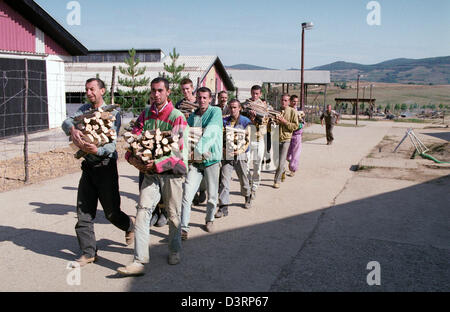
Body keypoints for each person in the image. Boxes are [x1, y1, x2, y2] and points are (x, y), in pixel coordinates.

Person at [117, 77, 189, 276]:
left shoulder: (177, 117)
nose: (155, 94)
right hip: (150, 174)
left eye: (159, 91)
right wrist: (131, 158)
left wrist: (157, 163)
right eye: (153, 91)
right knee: (142, 211)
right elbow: (134, 139)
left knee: (173, 215)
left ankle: (174, 250)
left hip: (171, 173)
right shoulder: (146, 114)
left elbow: (178, 152)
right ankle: (139, 260)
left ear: (167, 92)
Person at [62, 78, 135, 267]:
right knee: (83, 212)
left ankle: (129, 225)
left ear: (102, 91)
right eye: (86, 89)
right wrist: (72, 128)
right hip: (88, 167)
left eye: (92, 89)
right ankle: (88, 252)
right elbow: (67, 120)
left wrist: (98, 151)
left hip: (105, 166)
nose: (89, 93)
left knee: (111, 213)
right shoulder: (84, 110)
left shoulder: (113, 114)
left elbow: (111, 144)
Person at [181, 87, 223, 239]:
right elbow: (188, 135)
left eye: (205, 97)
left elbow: (210, 133)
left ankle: (209, 219)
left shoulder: (215, 112)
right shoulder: (193, 116)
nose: (202, 100)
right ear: (196, 98)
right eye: (199, 97)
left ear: (210, 99)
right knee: (187, 194)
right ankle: (183, 228)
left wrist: (196, 151)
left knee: (212, 195)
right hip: (195, 162)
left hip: (211, 159)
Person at [216, 99, 252, 218]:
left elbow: (248, 139)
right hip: (227, 155)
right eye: (231, 107)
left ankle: (247, 196)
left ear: (240, 108)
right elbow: (219, 137)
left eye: (235, 107)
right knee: (224, 181)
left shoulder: (246, 121)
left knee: (243, 178)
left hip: (240, 154)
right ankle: (223, 207)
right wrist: (223, 148)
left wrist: (240, 150)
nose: (232, 110)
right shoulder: (224, 121)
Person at [244, 85, 269, 199]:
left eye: (257, 94)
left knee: (257, 164)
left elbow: (265, 122)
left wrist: (255, 120)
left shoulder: (264, 107)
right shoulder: (246, 105)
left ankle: (254, 186)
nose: (254, 96)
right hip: (247, 139)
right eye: (253, 93)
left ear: (260, 94)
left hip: (259, 139)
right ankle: (248, 184)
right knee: (246, 164)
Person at [273, 94, 299, 188]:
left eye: (285, 100)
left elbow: (295, 126)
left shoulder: (292, 112)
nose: (283, 102)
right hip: (276, 138)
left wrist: (284, 122)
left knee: (281, 160)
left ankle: (277, 181)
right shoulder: (276, 111)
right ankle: (282, 170)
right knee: (276, 161)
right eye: (282, 100)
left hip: (286, 139)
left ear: (289, 102)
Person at [286, 95, 305, 177]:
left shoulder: (300, 111)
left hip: (297, 135)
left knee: (296, 153)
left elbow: (302, 123)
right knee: (287, 155)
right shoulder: (287, 110)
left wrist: (299, 125)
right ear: (290, 101)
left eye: (297, 102)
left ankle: (293, 169)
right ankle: (291, 161)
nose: (295, 103)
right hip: (288, 134)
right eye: (294, 101)